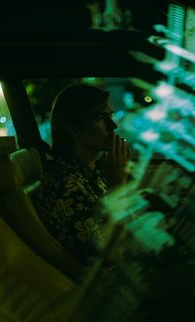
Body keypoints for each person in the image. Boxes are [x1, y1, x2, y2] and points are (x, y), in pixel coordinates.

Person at [33, 83, 131, 264]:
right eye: (101, 118)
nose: (113, 125)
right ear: (72, 129)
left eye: (110, 115)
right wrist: (119, 183)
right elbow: (112, 257)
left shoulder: (91, 171)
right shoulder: (66, 188)